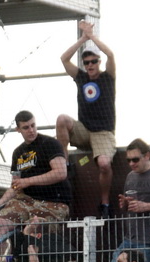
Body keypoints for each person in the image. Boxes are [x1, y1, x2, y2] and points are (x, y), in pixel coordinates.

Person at [54, 20, 117, 184]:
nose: (90, 65)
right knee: (61, 119)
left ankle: (104, 199)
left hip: (103, 132)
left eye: (93, 61)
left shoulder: (108, 77)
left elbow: (110, 55)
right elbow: (64, 59)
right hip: (84, 130)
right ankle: (65, 166)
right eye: (87, 62)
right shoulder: (81, 77)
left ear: (99, 62)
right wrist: (83, 39)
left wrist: (92, 36)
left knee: (104, 164)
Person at [0, 110, 73, 225]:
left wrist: (28, 181)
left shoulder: (50, 144)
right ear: (18, 130)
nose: (31, 130)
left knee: (34, 226)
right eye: (26, 128)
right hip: (26, 201)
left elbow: (61, 173)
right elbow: (15, 186)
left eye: (33, 125)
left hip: (54, 202)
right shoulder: (17, 153)